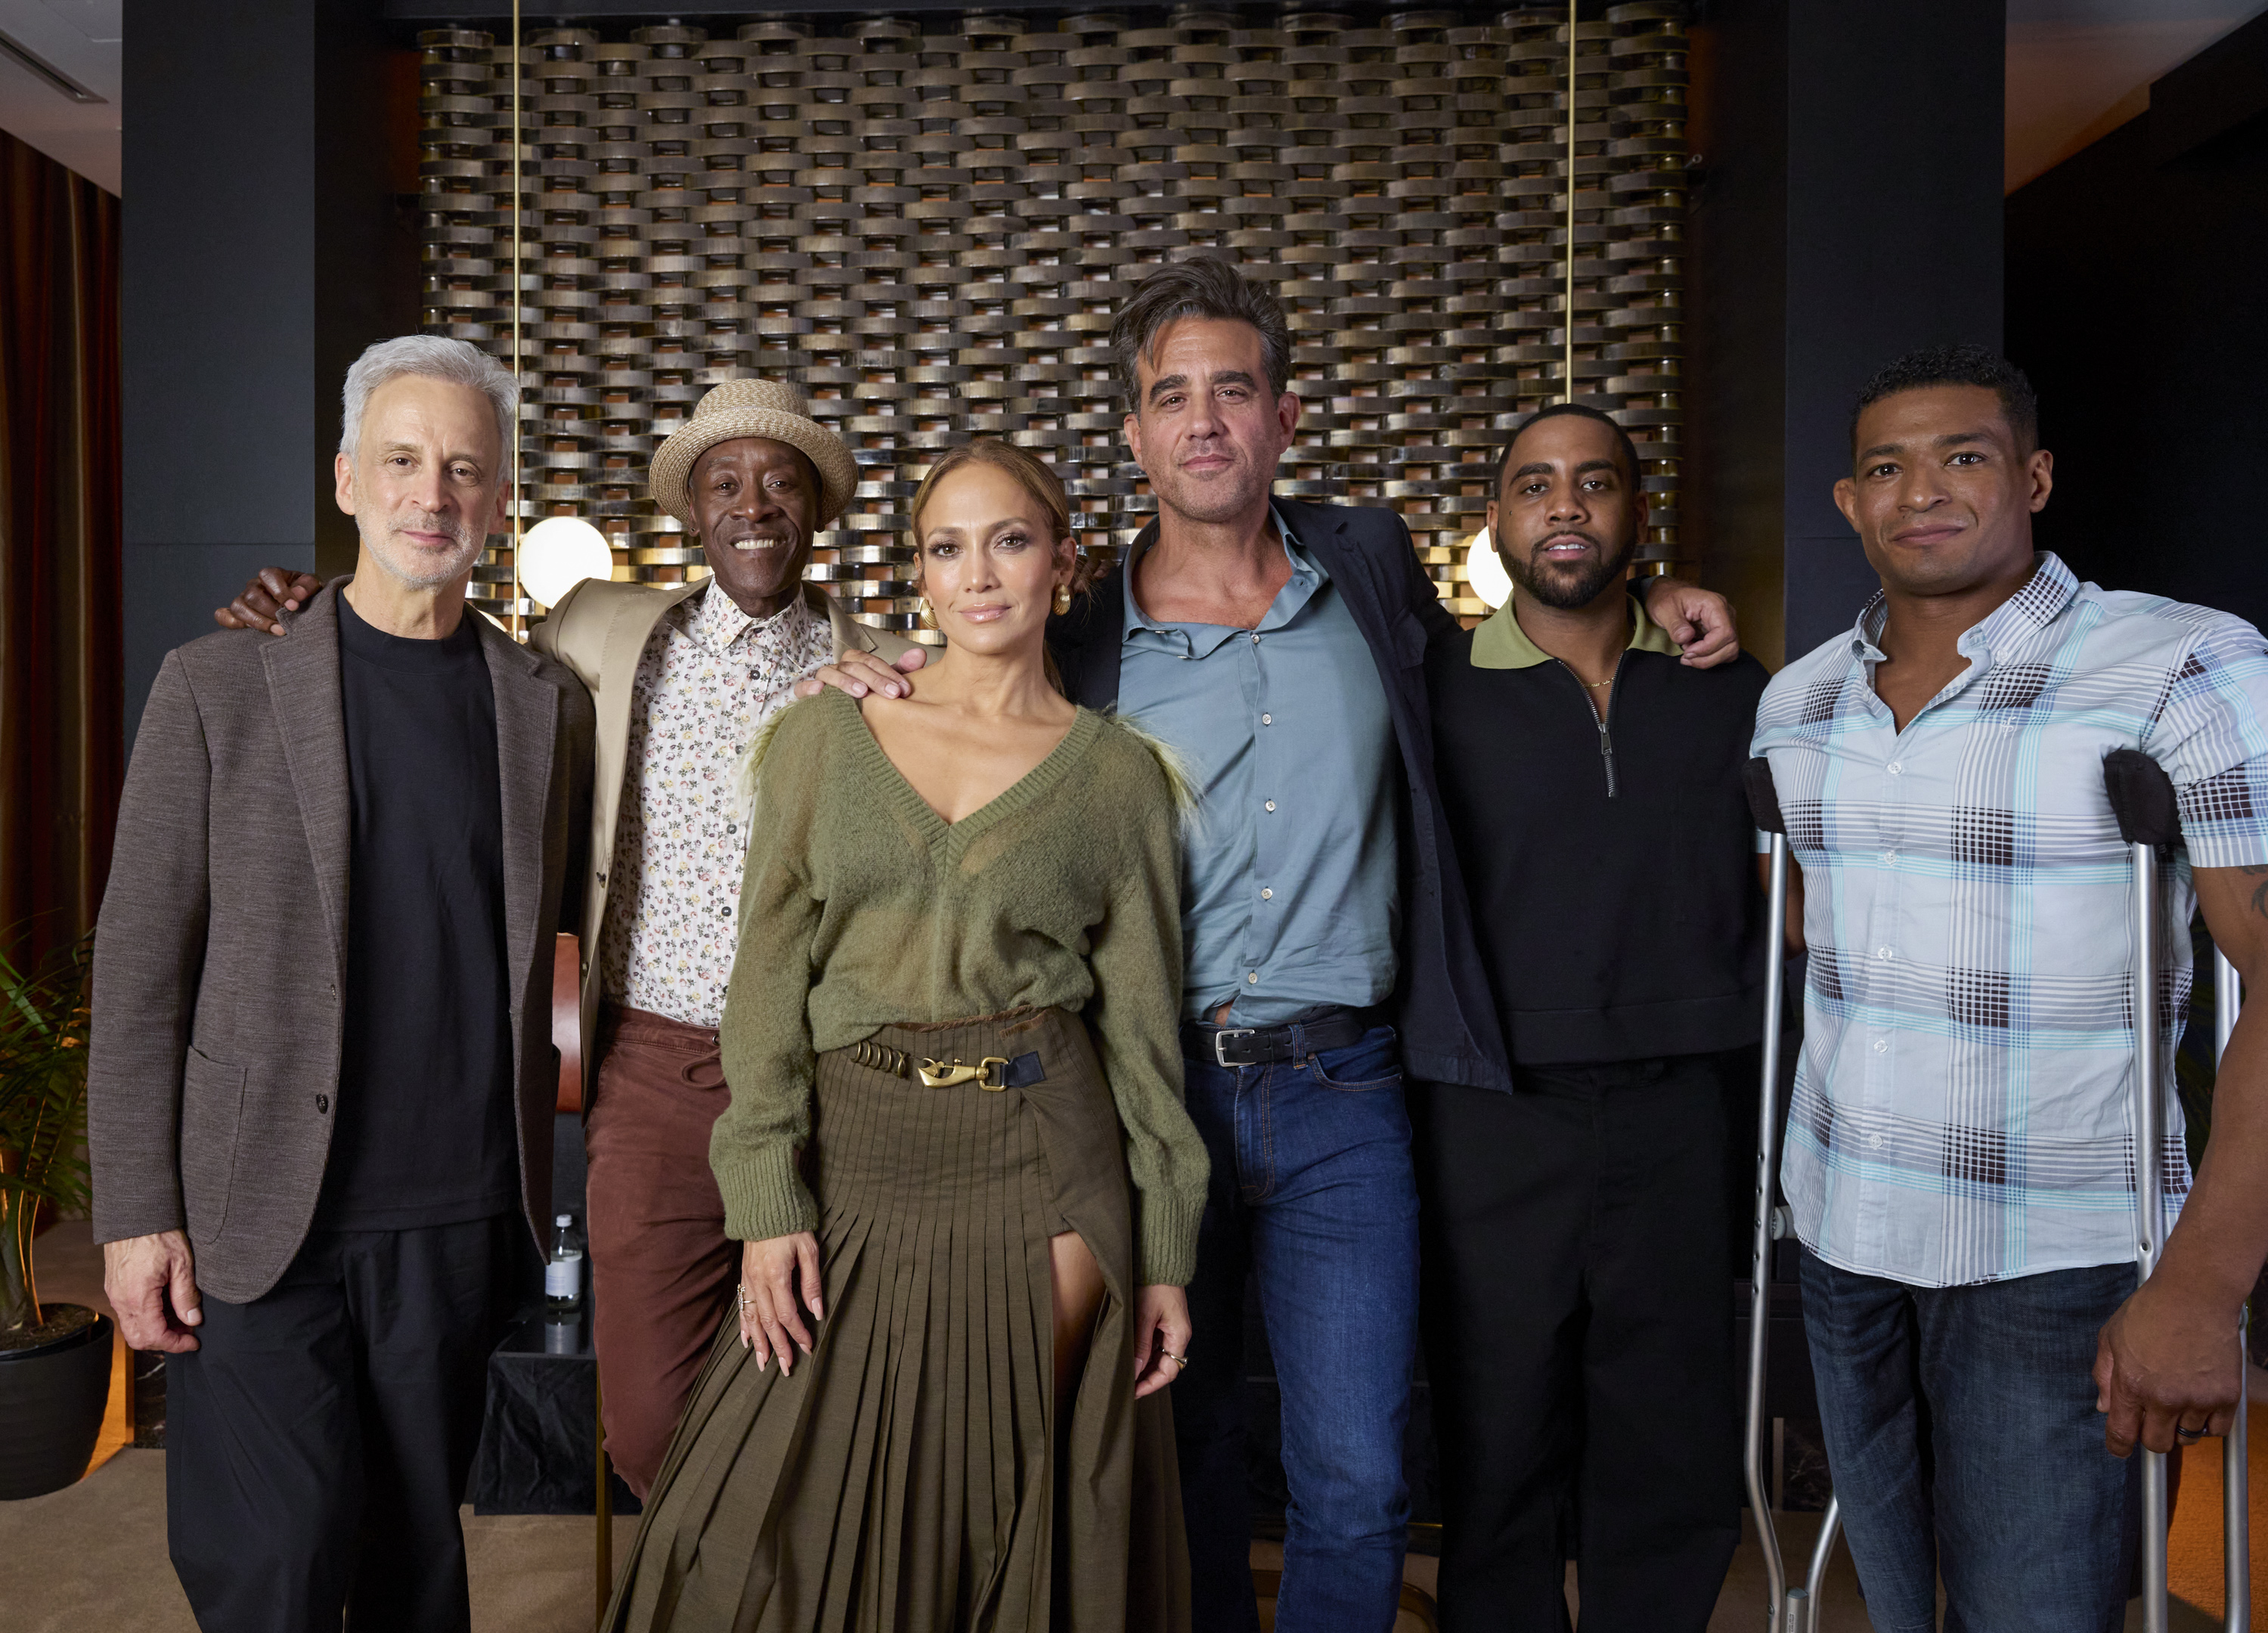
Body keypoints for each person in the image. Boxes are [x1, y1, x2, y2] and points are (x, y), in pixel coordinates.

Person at [814, 258, 1743, 1633]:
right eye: (1169, 396)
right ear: (1133, 435)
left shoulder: (1373, 580)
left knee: (1359, 1475)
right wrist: (880, 669)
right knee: (1172, 1456)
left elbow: (1542, 629)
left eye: (1231, 390)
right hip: (1142, 1096)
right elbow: (961, 690)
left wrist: (1657, 597)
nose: (1202, 421)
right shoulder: (1075, 648)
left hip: (1346, 1094)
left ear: (1284, 418)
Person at [212, 379, 921, 1498]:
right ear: (692, 510)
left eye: (781, 482)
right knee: (644, 1425)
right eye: (724, 483)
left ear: (818, 510)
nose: (753, 505)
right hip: (652, 1070)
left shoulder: (891, 670)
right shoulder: (597, 629)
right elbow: (430, 649)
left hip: (834, 1072)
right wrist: (314, 607)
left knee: (839, 1387)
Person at [604, 438, 1207, 1631]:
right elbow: (766, 983)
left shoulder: (1119, 779)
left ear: (1064, 565)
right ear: (917, 579)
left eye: (1011, 540)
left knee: (994, 1518)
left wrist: (1169, 1248)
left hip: (1045, 1159)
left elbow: (1142, 1035)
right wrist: (769, 1198)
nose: (978, 574)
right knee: (743, 1528)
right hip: (858, 1151)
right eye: (947, 548)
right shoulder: (825, 737)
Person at [1752, 345, 2268, 1630]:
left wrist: (2205, 1285)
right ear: (1848, 501)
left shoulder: (2182, 664)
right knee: (1897, 1605)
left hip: (2056, 1256)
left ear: (2033, 475)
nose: (1924, 490)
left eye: (1964, 456)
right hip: (1841, 1231)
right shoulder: (1799, 703)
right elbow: (1822, 933)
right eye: (1888, 466)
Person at [88, 335, 595, 1632]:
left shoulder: (549, 705)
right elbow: (143, 970)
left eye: (465, 470)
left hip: (459, 1215)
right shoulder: (218, 687)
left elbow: (566, 934)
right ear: (348, 479)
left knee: (411, 1560)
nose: (434, 495)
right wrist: (135, 1211)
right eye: (404, 462)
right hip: (261, 1213)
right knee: (277, 1565)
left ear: (496, 500)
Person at [1414, 401, 1771, 1630]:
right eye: (1536, 486)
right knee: (1499, 1428)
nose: (1566, 506)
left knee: (1667, 1434)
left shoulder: (1732, 689)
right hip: (1493, 1109)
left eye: (1597, 482)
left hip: (1685, 1104)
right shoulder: (1437, 692)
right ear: (1497, 519)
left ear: (1637, 512)